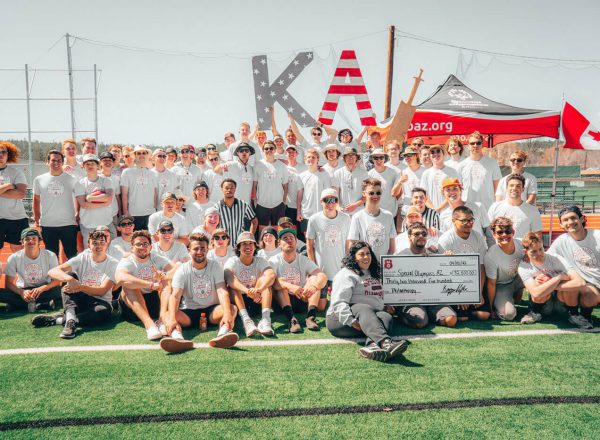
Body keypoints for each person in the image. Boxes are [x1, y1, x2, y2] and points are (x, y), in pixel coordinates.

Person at [326, 241, 409, 362]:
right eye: (361, 254)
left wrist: (383, 306)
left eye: (368, 253)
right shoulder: (346, 274)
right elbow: (339, 303)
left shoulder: (373, 273)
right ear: (353, 257)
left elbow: (374, 297)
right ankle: (386, 343)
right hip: (340, 321)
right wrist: (351, 321)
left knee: (386, 317)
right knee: (363, 307)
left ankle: (372, 346)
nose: (366, 257)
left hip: (366, 320)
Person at [159, 233, 239, 353]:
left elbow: (222, 291)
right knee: (166, 315)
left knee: (232, 309)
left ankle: (222, 335)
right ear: (189, 250)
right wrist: (172, 318)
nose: (199, 251)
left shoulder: (215, 266)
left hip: (212, 311)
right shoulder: (182, 269)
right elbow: (175, 296)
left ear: (207, 249)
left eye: (203, 248)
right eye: (196, 248)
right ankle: (178, 339)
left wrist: (227, 313)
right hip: (189, 313)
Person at [35, 231, 118, 339]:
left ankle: (60, 319)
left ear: (107, 244)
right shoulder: (83, 257)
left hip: (100, 301)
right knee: (69, 275)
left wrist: (79, 287)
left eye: (102, 242)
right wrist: (69, 279)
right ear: (89, 245)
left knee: (101, 312)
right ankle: (70, 321)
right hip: (80, 298)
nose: (99, 246)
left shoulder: (114, 263)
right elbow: (52, 271)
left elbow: (102, 290)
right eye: (95, 243)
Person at [518, 232, 591, 328]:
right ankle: (535, 312)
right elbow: (536, 293)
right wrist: (558, 277)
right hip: (543, 305)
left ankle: (574, 314)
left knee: (571, 285)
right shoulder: (524, 266)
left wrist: (550, 283)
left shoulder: (556, 258)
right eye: (534, 251)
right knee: (540, 286)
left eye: (541, 249)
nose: (539, 253)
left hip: (561, 302)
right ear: (525, 252)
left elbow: (580, 282)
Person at [394, 222, 458, 328]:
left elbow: (447, 278)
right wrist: (417, 261)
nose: (421, 236)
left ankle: (430, 315)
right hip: (412, 300)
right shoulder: (401, 255)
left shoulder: (434, 254)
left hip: (433, 299)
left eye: (424, 234)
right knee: (419, 322)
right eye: (417, 234)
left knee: (451, 320)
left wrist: (448, 261)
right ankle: (404, 314)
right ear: (409, 237)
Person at [115, 230, 175, 340]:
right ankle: (150, 326)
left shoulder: (156, 257)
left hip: (153, 304)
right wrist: (151, 284)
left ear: (151, 247)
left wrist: (163, 275)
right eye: (138, 244)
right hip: (132, 308)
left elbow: (177, 268)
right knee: (128, 285)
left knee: (166, 281)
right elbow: (120, 277)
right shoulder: (127, 261)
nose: (142, 246)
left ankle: (162, 320)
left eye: (145, 244)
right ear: (132, 248)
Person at [548, 205, 600, 323]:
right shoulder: (562, 241)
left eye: (573, 218)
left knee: (589, 294)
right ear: (561, 225)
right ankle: (575, 315)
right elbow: (547, 259)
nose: (570, 222)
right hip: (580, 283)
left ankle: (585, 315)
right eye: (565, 220)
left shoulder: (597, 236)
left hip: (596, 283)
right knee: (572, 286)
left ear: (582, 219)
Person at [438, 206, 490, 321]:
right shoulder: (445, 240)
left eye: (471, 220)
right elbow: (444, 275)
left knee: (484, 315)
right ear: (453, 221)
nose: (469, 223)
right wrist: (459, 295)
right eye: (464, 220)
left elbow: (481, 267)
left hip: (473, 282)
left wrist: (478, 293)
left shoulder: (478, 237)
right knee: (463, 318)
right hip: (454, 285)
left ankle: (470, 308)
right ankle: (466, 310)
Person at [271, 228, 327, 332]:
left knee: (314, 278)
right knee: (281, 283)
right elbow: (272, 283)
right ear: (279, 243)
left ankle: (311, 317)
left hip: (302, 298)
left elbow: (322, 276)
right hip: (281, 303)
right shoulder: (273, 260)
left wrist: (313, 286)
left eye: (292, 238)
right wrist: (290, 286)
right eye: (285, 238)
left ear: (296, 242)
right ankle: (292, 320)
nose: (289, 240)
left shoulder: (303, 259)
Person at [224, 232, 276, 337]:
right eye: (244, 244)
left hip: (257, 299)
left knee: (265, 281)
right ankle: (246, 320)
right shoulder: (232, 261)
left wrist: (259, 290)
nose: (248, 246)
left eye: (251, 243)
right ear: (238, 247)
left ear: (255, 246)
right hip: (240, 301)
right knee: (233, 286)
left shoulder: (260, 260)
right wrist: (248, 291)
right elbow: (228, 277)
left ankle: (266, 319)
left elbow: (271, 275)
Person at [32, 149, 78, 260]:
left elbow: (78, 198)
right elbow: (36, 200)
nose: (56, 163)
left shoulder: (72, 179)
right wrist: (37, 220)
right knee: (51, 256)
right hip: (48, 224)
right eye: (53, 160)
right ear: (47, 162)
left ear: (63, 162)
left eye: (59, 160)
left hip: (68, 224)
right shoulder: (39, 179)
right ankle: (53, 277)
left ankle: (73, 277)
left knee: (72, 255)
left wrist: (77, 214)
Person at [1, 228, 61, 311]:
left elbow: (57, 281)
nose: (31, 241)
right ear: (22, 242)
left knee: (62, 290)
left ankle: (19, 305)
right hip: (23, 290)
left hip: (44, 289)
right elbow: (8, 283)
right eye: (27, 239)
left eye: (34, 238)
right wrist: (22, 293)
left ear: (39, 241)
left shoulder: (50, 255)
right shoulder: (14, 258)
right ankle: (43, 304)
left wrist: (42, 288)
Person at [306, 188, 351, 292]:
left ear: (337, 202)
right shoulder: (314, 219)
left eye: (334, 200)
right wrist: (314, 270)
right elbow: (309, 247)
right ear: (321, 202)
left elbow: (348, 244)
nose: (331, 204)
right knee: (322, 305)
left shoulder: (346, 218)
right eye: (327, 200)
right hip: (321, 272)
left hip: (341, 270)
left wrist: (347, 265)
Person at [484, 217, 525, 321]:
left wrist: (530, 256)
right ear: (494, 234)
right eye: (500, 232)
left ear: (513, 232)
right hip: (502, 285)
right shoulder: (491, 256)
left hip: (519, 278)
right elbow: (491, 284)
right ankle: (509, 298)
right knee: (508, 315)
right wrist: (490, 308)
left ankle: (539, 306)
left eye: (508, 231)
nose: (504, 235)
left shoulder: (522, 244)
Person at [348, 178, 396, 259]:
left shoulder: (388, 216)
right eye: (371, 193)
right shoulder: (357, 217)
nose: (375, 196)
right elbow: (352, 247)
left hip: (384, 267)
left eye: (378, 193)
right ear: (364, 194)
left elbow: (392, 248)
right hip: (364, 266)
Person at [456, 131, 502, 212]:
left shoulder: (492, 163)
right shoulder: (461, 165)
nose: (475, 145)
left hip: (488, 208)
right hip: (467, 209)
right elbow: (458, 189)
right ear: (468, 146)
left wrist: (497, 207)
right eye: (472, 143)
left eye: (478, 143)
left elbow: (498, 188)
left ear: (482, 144)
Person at [74, 154, 115, 243]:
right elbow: (84, 205)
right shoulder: (80, 184)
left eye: (93, 163)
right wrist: (105, 202)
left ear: (98, 165)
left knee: (112, 252)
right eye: (87, 164)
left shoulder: (106, 181)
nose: (90, 166)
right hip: (88, 225)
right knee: (90, 253)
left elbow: (109, 197)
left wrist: (89, 198)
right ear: (83, 166)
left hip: (106, 224)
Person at [487, 174, 542, 239]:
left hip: (522, 249)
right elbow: (489, 232)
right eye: (511, 185)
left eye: (518, 186)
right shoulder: (495, 208)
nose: (514, 188)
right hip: (499, 248)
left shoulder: (533, 211)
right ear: (506, 188)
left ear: (523, 189)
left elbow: (537, 236)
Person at [253, 140, 289, 231]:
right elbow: (254, 185)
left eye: (271, 148)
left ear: (275, 149)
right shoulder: (258, 165)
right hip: (261, 204)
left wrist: (284, 201)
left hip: (278, 203)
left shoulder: (282, 166)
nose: (269, 150)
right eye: (266, 148)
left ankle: (277, 246)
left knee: (278, 230)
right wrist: (255, 200)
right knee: (262, 230)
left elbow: (285, 185)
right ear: (263, 150)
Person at [120, 145, 158, 231]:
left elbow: (155, 193)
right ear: (135, 155)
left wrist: (154, 208)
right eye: (138, 153)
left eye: (144, 153)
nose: (141, 155)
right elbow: (124, 195)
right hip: (133, 214)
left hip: (150, 213)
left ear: (147, 155)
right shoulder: (127, 172)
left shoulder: (152, 173)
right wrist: (126, 213)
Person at [0, 141, 28, 252]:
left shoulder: (16, 172)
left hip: (17, 218)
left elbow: (21, 193)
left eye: (3, 152)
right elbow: (14, 192)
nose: (1, 155)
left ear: (8, 155)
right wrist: (8, 186)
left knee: (19, 253)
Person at [297, 148, 332, 239]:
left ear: (318, 159)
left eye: (313, 157)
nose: (311, 159)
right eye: (308, 157)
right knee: (308, 239)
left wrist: (328, 211)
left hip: (321, 212)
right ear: (305, 159)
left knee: (321, 238)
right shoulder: (301, 176)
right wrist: (298, 212)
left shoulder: (324, 174)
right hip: (306, 213)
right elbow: (300, 195)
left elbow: (328, 194)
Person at [214, 179, 257, 245]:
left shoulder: (243, 205)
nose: (229, 190)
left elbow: (254, 221)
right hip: (223, 244)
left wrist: (250, 235)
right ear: (222, 189)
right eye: (227, 188)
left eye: (232, 188)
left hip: (239, 244)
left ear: (235, 189)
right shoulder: (216, 207)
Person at [419, 144, 459, 211]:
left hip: (449, 211)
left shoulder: (452, 172)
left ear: (444, 154)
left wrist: (439, 209)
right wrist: (433, 209)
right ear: (430, 156)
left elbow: (454, 193)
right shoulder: (426, 173)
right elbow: (423, 194)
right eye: (432, 152)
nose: (435, 154)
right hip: (431, 212)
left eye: (438, 151)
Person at [333, 147, 368, 216]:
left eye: (353, 156)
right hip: (343, 212)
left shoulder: (364, 173)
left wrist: (355, 205)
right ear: (344, 158)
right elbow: (335, 193)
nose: (350, 158)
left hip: (359, 212)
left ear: (357, 158)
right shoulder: (338, 173)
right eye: (348, 156)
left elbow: (366, 195)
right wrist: (337, 207)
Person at [367, 148, 401, 216]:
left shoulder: (394, 172)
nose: (379, 160)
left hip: (391, 211)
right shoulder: (369, 174)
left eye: (381, 157)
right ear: (372, 159)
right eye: (376, 158)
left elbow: (398, 193)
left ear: (384, 158)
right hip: (375, 211)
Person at [283, 145, 307, 225]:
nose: (291, 153)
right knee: (290, 231)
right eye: (288, 152)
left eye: (293, 151)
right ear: (285, 154)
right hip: (289, 206)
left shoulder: (304, 167)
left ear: (297, 154)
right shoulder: (283, 169)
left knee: (302, 234)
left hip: (303, 206)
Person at [398, 146, 424, 216]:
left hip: (422, 209)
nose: (406, 157)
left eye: (409, 155)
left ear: (416, 155)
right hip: (408, 210)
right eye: (405, 155)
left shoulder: (425, 171)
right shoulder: (403, 172)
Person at [100, 151, 122, 230]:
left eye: (110, 160)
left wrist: (120, 214)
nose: (107, 162)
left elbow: (117, 197)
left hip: (113, 215)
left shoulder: (115, 178)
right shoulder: (96, 177)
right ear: (100, 163)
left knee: (114, 239)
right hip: (100, 215)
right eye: (105, 160)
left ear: (113, 163)